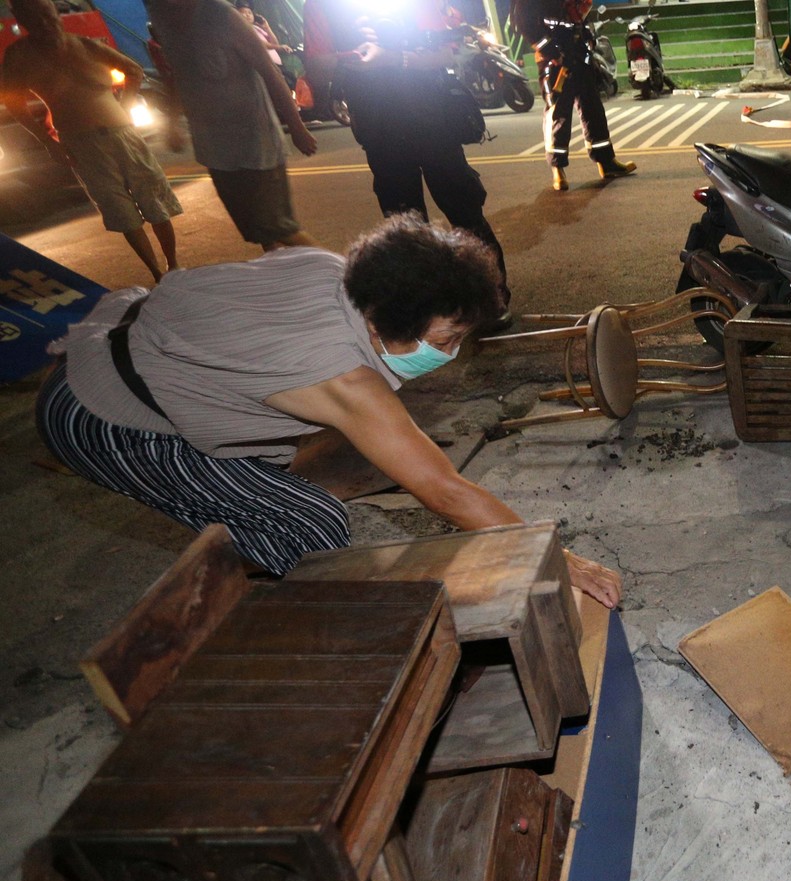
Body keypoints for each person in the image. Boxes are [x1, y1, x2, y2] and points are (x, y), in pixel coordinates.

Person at [34, 214, 622, 607]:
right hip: (102, 415)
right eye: (444, 339)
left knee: (275, 487)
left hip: (134, 356)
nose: (451, 354)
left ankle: (260, 574)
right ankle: (285, 631)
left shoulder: (331, 270)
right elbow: (444, 490)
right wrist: (555, 555)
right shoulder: (342, 376)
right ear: (387, 322)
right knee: (311, 524)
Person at [316, 0, 510, 302]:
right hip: (381, 132)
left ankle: (491, 297)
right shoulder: (324, 6)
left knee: (464, 211)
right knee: (407, 229)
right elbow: (317, 66)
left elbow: (446, 53)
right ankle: (430, 307)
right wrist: (348, 56)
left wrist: (393, 58)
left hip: (433, 124)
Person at [1, 0, 181, 281]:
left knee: (153, 200)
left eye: (48, 15)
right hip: (80, 144)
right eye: (35, 18)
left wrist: (125, 107)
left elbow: (133, 70)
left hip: (123, 133)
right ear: (23, 21)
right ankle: (157, 273)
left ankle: (173, 265)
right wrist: (47, 141)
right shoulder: (20, 57)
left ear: (56, 14)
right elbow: (14, 103)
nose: (45, 23)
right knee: (120, 210)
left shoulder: (86, 45)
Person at [146, 0, 318, 250]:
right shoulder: (163, 20)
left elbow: (270, 72)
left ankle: (342, 271)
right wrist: (172, 124)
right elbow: (175, 76)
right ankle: (284, 271)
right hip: (214, 150)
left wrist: (297, 127)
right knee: (259, 232)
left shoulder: (221, 15)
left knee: (280, 228)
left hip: (255, 144)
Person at [516, 0, 636, 191]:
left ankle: (606, 162)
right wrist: (551, 51)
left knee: (593, 109)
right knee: (558, 112)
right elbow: (525, 23)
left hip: (579, 53)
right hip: (555, 61)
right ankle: (558, 168)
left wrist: (587, 37)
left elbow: (578, 17)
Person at [235, 0, 297, 91]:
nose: (248, 15)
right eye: (243, 12)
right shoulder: (242, 30)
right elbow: (259, 44)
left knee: (292, 84)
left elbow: (275, 43)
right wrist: (279, 47)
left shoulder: (257, 28)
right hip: (269, 67)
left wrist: (267, 28)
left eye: (249, 12)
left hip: (278, 65)